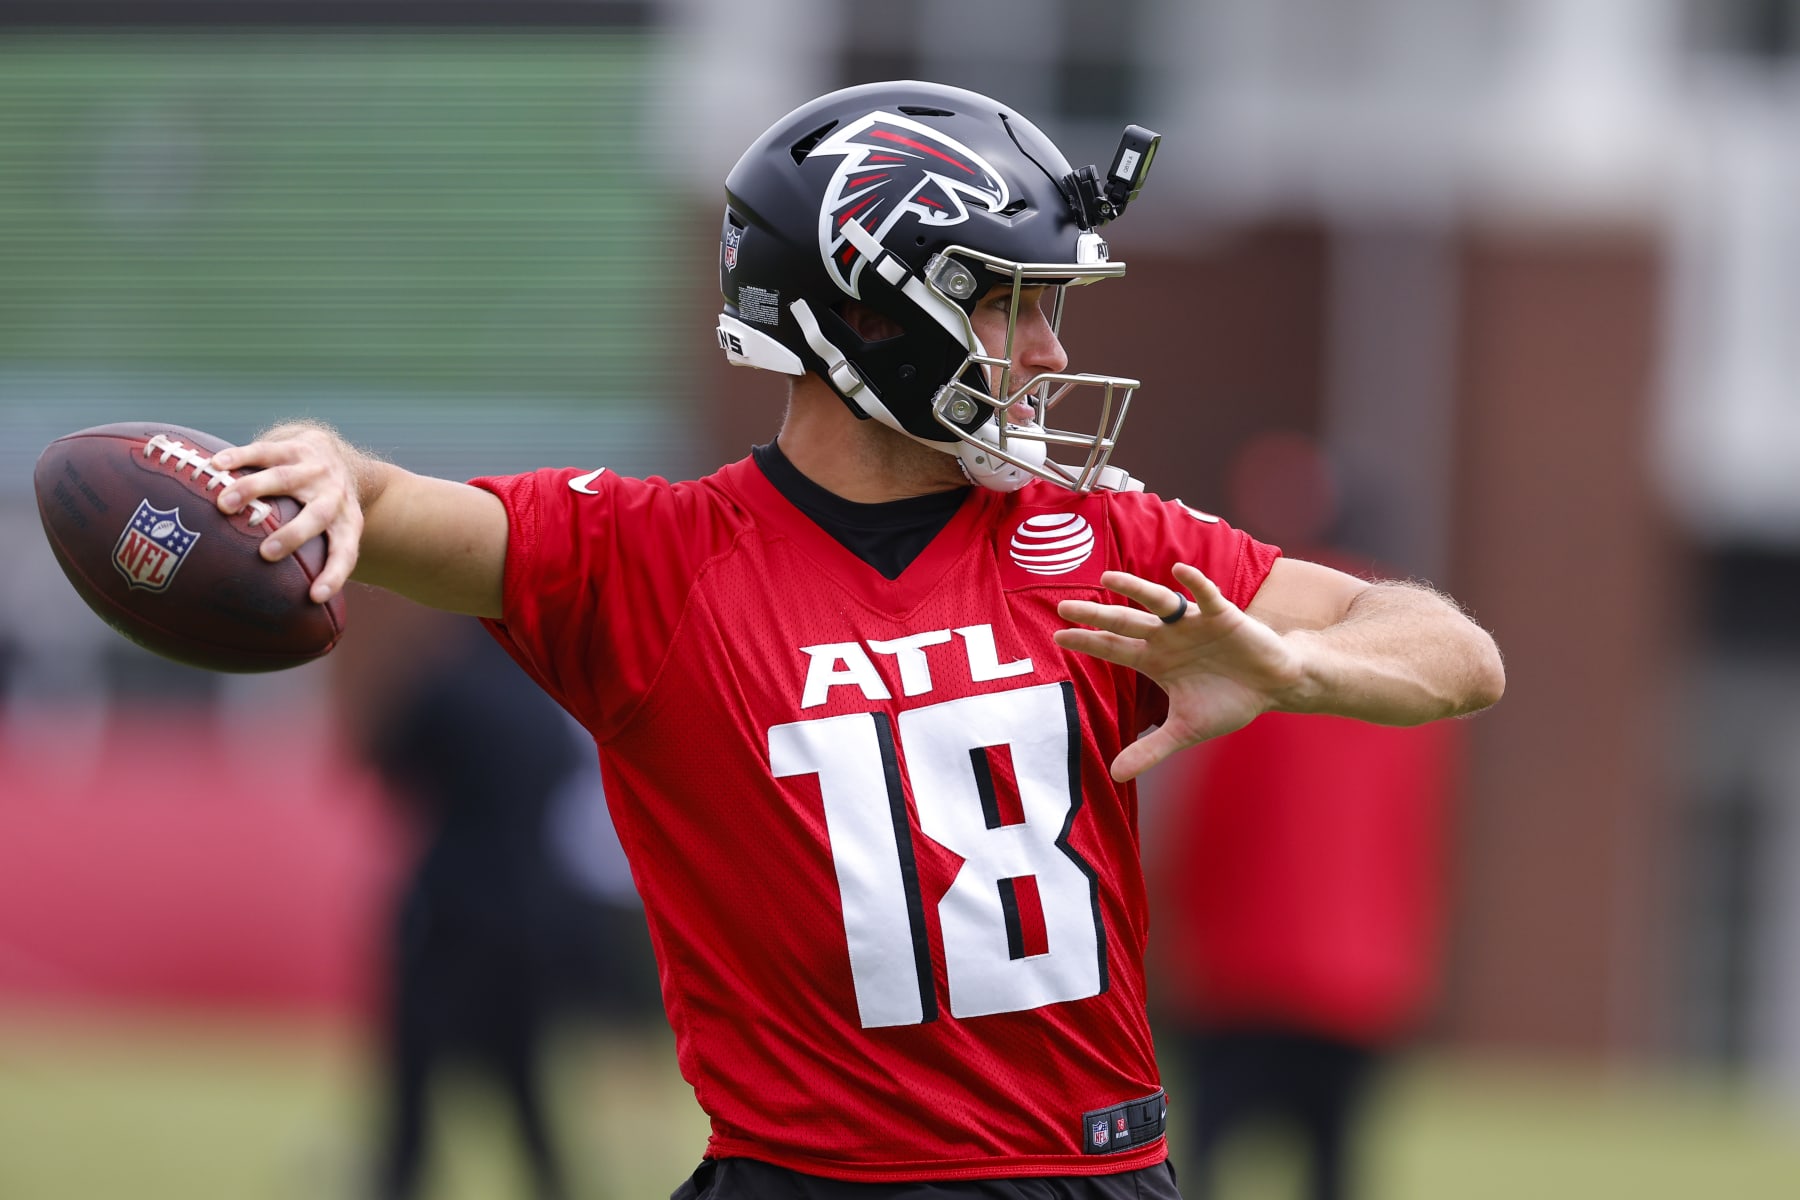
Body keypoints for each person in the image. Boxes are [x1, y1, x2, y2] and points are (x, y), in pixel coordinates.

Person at [201, 81, 1504, 1200]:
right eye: (1010, 305)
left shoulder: (1099, 537)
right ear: (866, 314)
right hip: (796, 1174)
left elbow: (1455, 653)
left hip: (1084, 1173)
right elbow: (388, 506)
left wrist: (1299, 666)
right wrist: (324, 463)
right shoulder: (649, 562)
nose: (1049, 355)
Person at [1150, 434, 1462, 1200]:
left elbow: (1206, 819)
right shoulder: (1409, 663)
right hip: (1361, 979)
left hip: (1243, 968)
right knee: (1333, 1167)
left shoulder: (1249, 642)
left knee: (1199, 1162)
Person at [362, 620, 583, 1200]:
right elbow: (569, 779)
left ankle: (400, 1179)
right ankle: (551, 1181)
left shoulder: (445, 686)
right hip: (531, 908)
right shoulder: (544, 704)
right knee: (524, 1070)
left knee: (414, 1061)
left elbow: (388, 762)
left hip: (449, 902)